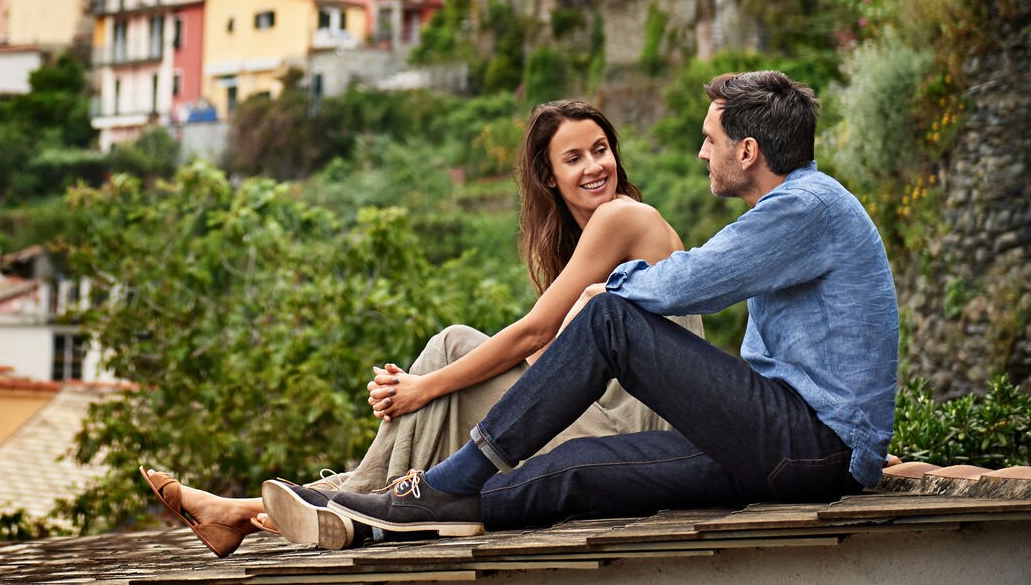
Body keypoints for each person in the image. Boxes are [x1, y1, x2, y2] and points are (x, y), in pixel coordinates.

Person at [320, 70, 899, 540]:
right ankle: (403, 517)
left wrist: (606, 292)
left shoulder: (806, 207)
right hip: (782, 446)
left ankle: (443, 485)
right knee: (562, 475)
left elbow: (693, 281)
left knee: (609, 316)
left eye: (710, 139)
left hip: (807, 444)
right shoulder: (800, 208)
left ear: (747, 151)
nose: (702, 152)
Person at [141, 99, 703, 555]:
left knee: (450, 352)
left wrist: (421, 386)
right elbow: (543, 365)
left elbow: (532, 338)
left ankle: (326, 505)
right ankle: (255, 512)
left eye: (600, 150)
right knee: (446, 385)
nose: (594, 167)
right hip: (594, 425)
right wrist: (430, 390)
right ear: (549, 176)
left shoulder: (627, 217)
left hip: (637, 441)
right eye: (574, 158)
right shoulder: (577, 249)